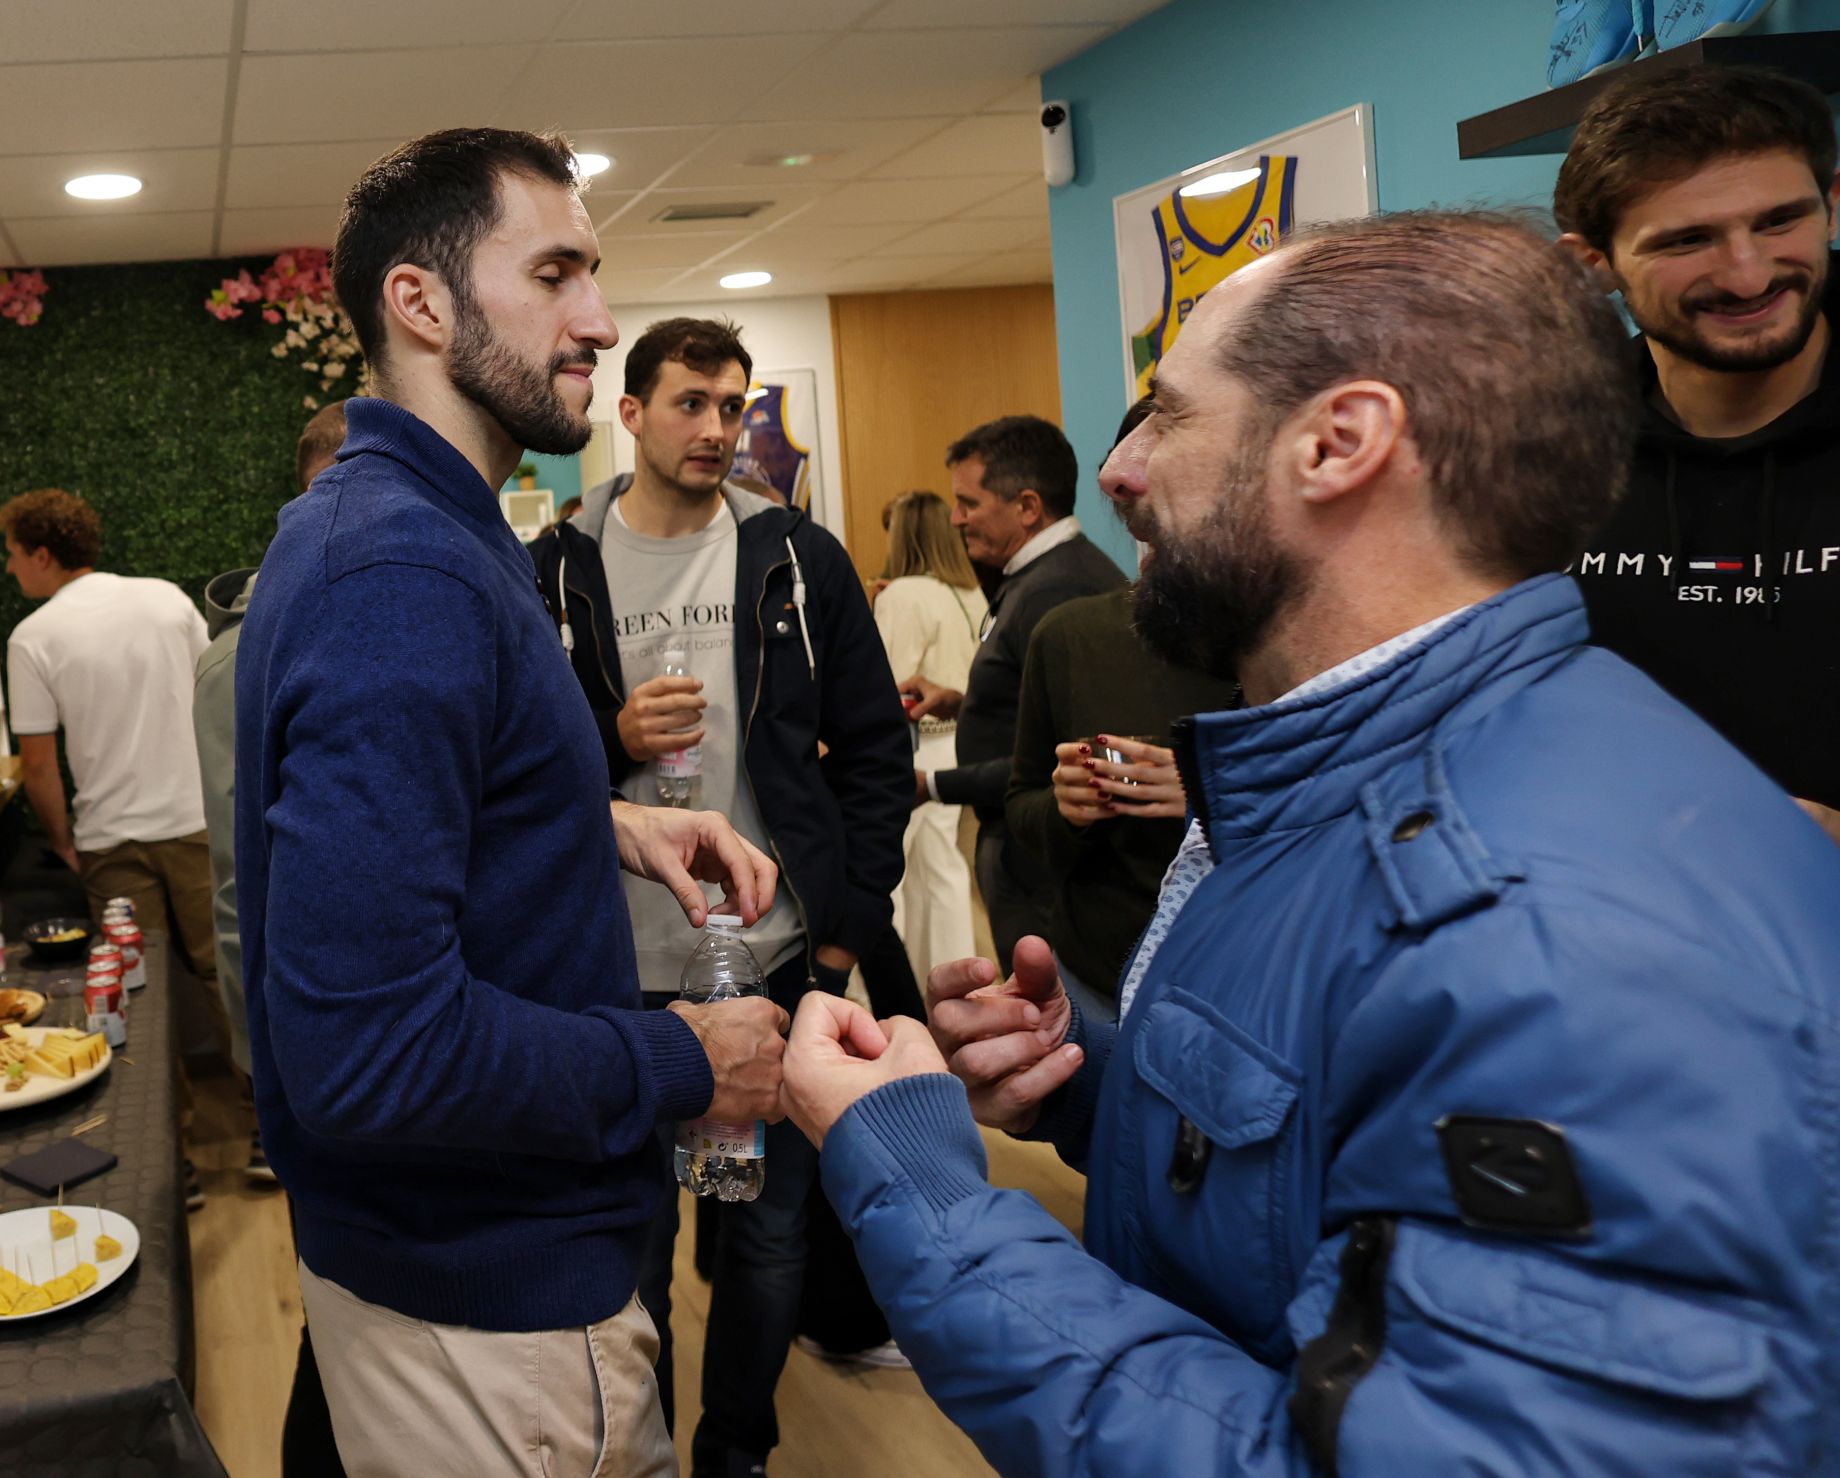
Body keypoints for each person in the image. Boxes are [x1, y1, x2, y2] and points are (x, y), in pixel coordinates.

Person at [778, 210, 1840, 1474]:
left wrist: (928, 1195)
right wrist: (1106, 1083)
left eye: (1167, 414)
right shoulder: (1351, 777)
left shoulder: (1549, 929)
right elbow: (1360, 1166)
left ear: (1338, 443)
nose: (1119, 473)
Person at [232, 128, 791, 1478]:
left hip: (457, 1262)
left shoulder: (395, 523)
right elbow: (367, 1050)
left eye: (593, 272)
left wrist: (600, 819)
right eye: (553, 273)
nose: (598, 318)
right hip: (490, 1302)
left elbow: (414, 801)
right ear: (420, 303)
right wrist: (690, 1062)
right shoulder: (403, 573)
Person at [529, 315, 911, 1477]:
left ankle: (734, 1451)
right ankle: (633, 1449)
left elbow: (875, 759)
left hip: (775, 961)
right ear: (629, 414)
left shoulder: (798, 557)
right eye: (689, 402)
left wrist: (840, 946)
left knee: (768, 1234)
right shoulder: (548, 567)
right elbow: (504, 773)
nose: (715, 427)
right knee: (630, 1245)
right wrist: (609, 735)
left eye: (733, 404)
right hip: (619, 977)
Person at [1557, 64, 1840, 842]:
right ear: (1594, 266)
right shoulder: (1542, 446)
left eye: (1780, 221)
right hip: (1620, 931)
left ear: (1834, 204)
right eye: (1688, 240)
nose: (1748, 274)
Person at [192, 398, 349, 1477]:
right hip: (321, 1037)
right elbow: (242, 879)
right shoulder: (242, 654)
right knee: (339, 1302)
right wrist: (262, 1061)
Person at [1005, 400, 1233, 1020]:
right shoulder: (1071, 636)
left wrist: (1203, 795)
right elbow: (1022, 806)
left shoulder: (1282, 642)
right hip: (1096, 978)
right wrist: (1068, 808)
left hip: (1237, 979)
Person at [901, 416, 1125, 970]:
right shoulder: (1036, 577)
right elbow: (1043, 705)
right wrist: (964, 701)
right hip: (1024, 854)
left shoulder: (1061, 587)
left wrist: (933, 784)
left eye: (969, 503)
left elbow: (1078, 755)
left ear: (1027, 507)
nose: (956, 519)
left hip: (1045, 869)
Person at [0, 489, 217, 969]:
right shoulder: (166, 599)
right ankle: (236, 1050)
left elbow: (37, 764)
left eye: (12, 554)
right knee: (223, 972)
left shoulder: (31, 638)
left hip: (110, 840)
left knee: (139, 983)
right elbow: (219, 694)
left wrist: (61, 844)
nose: (9, 568)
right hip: (195, 821)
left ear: (42, 555)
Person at [870, 489, 988, 986]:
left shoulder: (904, 594)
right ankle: (959, 983)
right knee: (943, 870)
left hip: (914, 746)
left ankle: (894, 991)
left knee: (889, 875)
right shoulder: (972, 592)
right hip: (960, 744)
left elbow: (886, 681)